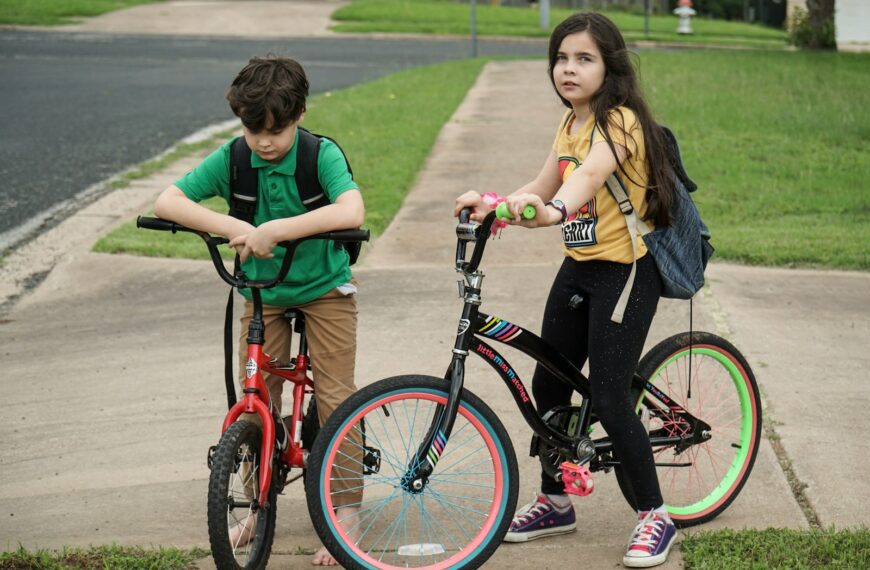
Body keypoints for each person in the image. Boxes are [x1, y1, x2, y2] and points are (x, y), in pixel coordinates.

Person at [454, 12, 678, 568]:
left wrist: (554, 210)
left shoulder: (621, 122)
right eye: (561, 58)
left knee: (609, 396)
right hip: (580, 267)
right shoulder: (570, 123)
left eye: (584, 59)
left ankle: (655, 515)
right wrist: (494, 205)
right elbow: (544, 181)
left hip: (628, 270)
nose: (568, 69)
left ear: (610, 67)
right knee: (549, 383)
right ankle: (555, 502)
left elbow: (588, 178)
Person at [154, 55, 363, 567]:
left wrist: (277, 230)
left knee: (336, 396)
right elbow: (168, 201)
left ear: (300, 114)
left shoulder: (320, 154)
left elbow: (351, 209)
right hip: (264, 292)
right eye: (253, 130)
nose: (264, 142)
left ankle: (347, 512)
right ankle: (255, 503)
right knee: (257, 398)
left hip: (324, 289)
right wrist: (234, 227)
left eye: (276, 130)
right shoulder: (235, 158)